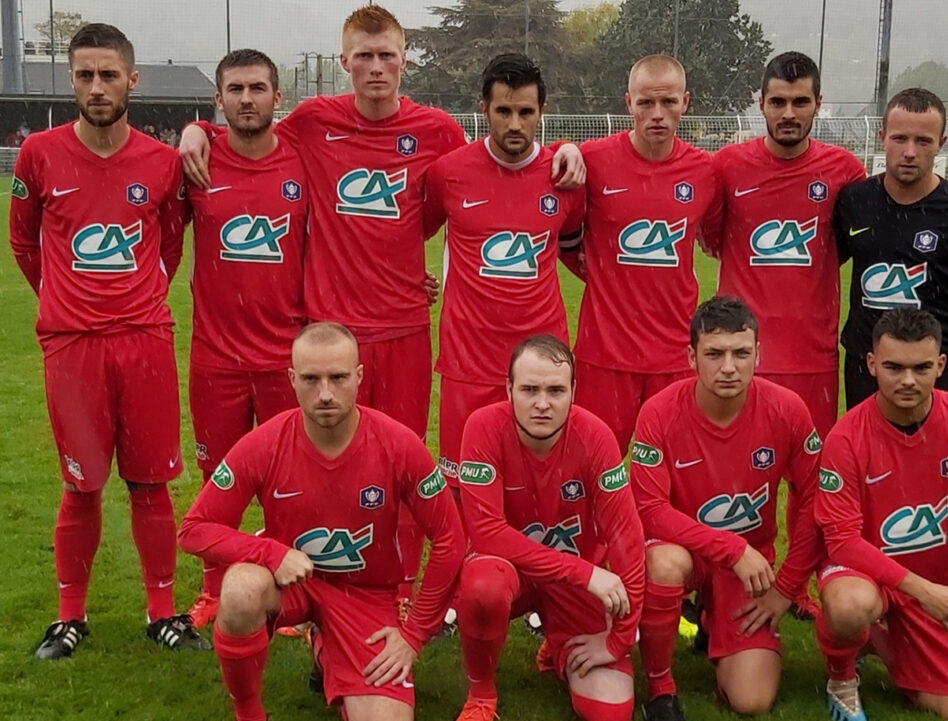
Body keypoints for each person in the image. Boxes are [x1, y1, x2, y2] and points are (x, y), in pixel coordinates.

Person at [180, 5, 583, 604]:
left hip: (403, 331)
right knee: (316, 467)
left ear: (404, 59)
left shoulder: (440, 134)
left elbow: (497, 169)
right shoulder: (313, 121)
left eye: (386, 55)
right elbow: (250, 124)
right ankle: (303, 587)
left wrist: (568, 147)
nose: (375, 67)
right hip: (330, 332)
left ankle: (396, 585)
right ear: (344, 62)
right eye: (363, 56)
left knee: (400, 469)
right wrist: (198, 131)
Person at [9, 23, 205, 658]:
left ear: (132, 80)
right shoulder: (38, 153)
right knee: (81, 483)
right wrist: (66, 305)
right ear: (71, 80)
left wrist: (133, 302)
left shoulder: (161, 160)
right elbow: (22, 242)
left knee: (150, 483)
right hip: (72, 346)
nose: (97, 87)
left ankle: (162, 613)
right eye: (85, 75)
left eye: (109, 75)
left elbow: (170, 246)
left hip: (144, 339)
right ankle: (71, 617)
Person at [178, 322, 465, 721]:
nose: (325, 393)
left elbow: (450, 538)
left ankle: (326, 644)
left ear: (359, 377)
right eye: (311, 379)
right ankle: (248, 713)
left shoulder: (400, 445)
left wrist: (414, 635)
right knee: (241, 589)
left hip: (365, 595)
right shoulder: (265, 444)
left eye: (338, 377)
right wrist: (270, 553)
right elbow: (193, 529)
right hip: (291, 584)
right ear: (292, 380)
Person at [630, 296, 822, 720]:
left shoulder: (788, 410)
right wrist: (730, 548)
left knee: (752, 701)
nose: (729, 367)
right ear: (691, 356)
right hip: (692, 553)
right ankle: (661, 686)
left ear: (759, 354)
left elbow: (815, 500)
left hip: (750, 568)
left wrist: (786, 587)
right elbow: (649, 509)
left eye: (741, 353)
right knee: (662, 563)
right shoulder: (658, 413)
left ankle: (717, 626)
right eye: (714, 354)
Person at [814, 308, 948, 721]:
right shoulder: (846, 437)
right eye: (893, 367)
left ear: (940, 365)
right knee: (850, 606)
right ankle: (842, 678)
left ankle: (881, 640)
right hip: (862, 575)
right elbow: (843, 542)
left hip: (935, 581)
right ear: (871, 364)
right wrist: (925, 592)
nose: (907, 380)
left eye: (921, 367)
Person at [453, 335, 645, 721]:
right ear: (508, 389)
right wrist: (587, 572)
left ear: (574, 390)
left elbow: (626, 535)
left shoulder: (596, 436)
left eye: (556, 390)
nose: (542, 404)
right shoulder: (483, 427)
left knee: (610, 712)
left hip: (572, 585)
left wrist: (618, 637)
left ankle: (558, 646)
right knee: (482, 588)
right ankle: (481, 694)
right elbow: (488, 532)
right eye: (529, 389)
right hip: (511, 573)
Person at [183, 48, 309, 627]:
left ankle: (296, 590)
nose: (247, 99)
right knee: (219, 481)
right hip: (217, 357)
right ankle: (214, 589)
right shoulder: (195, 165)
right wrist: (193, 131)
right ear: (219, 99)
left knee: (294, 480)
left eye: (258, 88)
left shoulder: (303, 163)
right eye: (235, 89)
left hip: (288, 356)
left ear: (277, 98)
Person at [423, 53, 585, 491]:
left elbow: (579, 246)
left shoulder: (565, 178)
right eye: (504, 111)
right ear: (484, 110)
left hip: (542, 363)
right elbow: (407, 237)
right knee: (463, 488)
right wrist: (408, 282)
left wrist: (570, 147)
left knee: (539, 481)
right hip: (467, 359)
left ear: (542, 113)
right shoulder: (447, 175)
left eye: (526, 112)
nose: (515, 123)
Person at [704, 51, 866, 439]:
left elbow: (869, 237)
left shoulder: (845, 171)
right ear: (761, 104)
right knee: (735, 475)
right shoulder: (726, 167)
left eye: (800, 102)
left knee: (811, 479)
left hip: (811, 356)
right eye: (777, 102)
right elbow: (712, 241)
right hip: (740, 353)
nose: (788, 113)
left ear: (818, 104)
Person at [568, 54, 722, 455]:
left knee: (674, 475)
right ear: (628, 102)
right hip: (604, 355)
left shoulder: (705, 172)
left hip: (673, 355)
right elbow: (559, 228)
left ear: (685, 102)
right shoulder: (593, 159)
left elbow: (719, 239)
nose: (657, 114)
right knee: (593, 469)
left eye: (668, 102)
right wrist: (564, 146)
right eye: (646, 103)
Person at [836, 88, 948, 428]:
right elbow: (820, 262)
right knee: (869, 469)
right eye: (899, 138)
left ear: (941, 143)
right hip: (868, 364)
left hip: (938, 368)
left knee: (943, 472)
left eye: (923, 141)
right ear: (881, 138)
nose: (909, 152)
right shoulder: (853, 202)